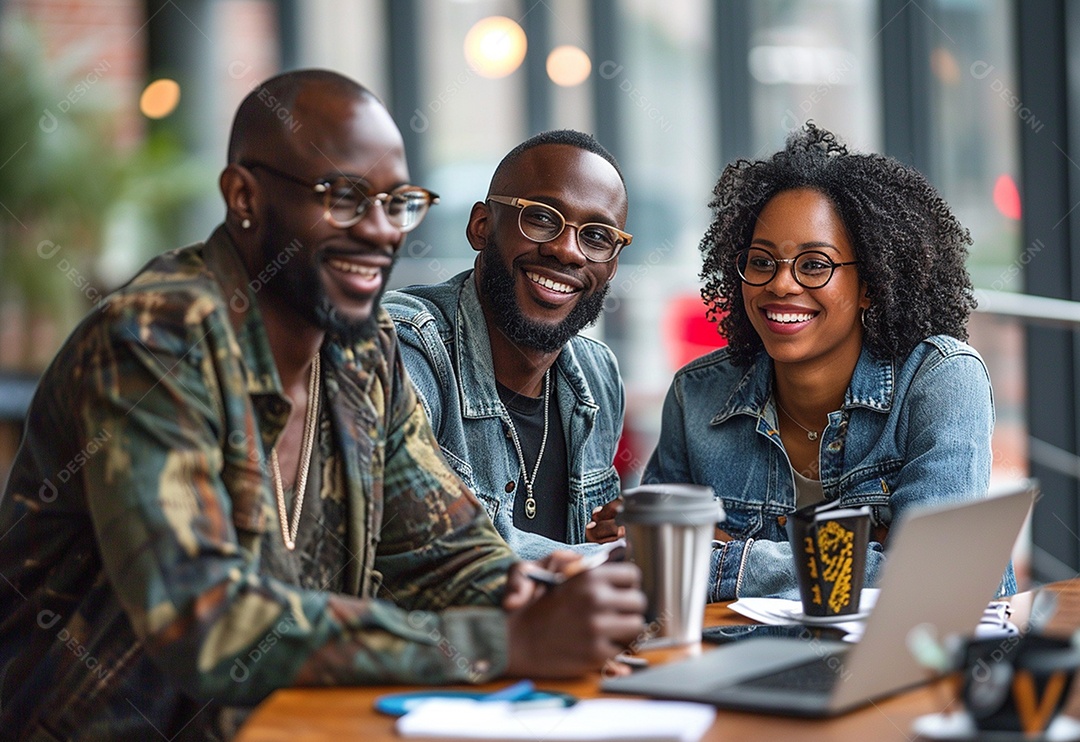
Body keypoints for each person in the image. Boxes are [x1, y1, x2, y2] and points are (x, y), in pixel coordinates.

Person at [0, 70, 645, 740]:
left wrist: (536, 599)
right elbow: (204, 620)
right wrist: (504, 640)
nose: (379, 230)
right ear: (244, 196)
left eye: (397, 202)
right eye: (344, 197)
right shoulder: (156, 342)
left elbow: (443, 551)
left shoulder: (361, 355)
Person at [643, 122, 1006, 601]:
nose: (781, 285)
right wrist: (860, 558)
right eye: (761, 261)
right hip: (738, 660)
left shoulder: (940, 379)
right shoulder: (697, 395)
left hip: (907, 666)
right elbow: (648, 561)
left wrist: (726, 557)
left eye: (814, 264)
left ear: (871, 285)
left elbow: (929, 577)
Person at [384, 130, 630, 559]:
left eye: (596, 237)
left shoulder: (597, 377)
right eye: (541, 217)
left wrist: (618, 535)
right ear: (481, 226)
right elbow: (446, 550)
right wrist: (634, 556)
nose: (567, 251)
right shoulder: (407, 348)